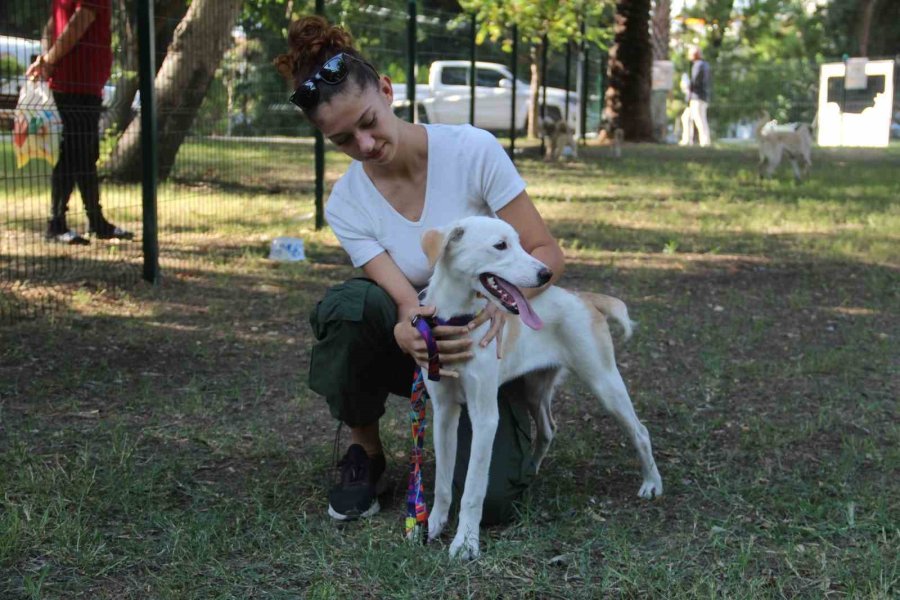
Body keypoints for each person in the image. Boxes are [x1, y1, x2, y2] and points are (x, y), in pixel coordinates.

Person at [274, 16, 565, 524]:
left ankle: (494, 429)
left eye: (367, 122)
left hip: (484, 347)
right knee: (350, 306)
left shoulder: (472, 150)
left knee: (495, 505)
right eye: (343, 140)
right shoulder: (346, 203)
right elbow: (406, 298)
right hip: (422, 344)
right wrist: (407, 326)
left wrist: (507, 307)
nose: (364, 146)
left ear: (386, 91)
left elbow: (544, 250)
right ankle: (365, 454)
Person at [26, 0, 133, 245]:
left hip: (81, 81)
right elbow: (78, 22)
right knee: (74, 152)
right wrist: (49, 61)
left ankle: (96, 221)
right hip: (77, 81)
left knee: (85, 152)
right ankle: (56, 224)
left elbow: (55, 22)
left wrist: (46, 59)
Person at [685, 46, 712, 147]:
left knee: (699, 119)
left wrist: (688, 88)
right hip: (704, 96)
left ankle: (704, 141)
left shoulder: (697, 65)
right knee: (687, 117)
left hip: (697, 96)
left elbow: (694, 81)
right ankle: (687, 139)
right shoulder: (706, 65)